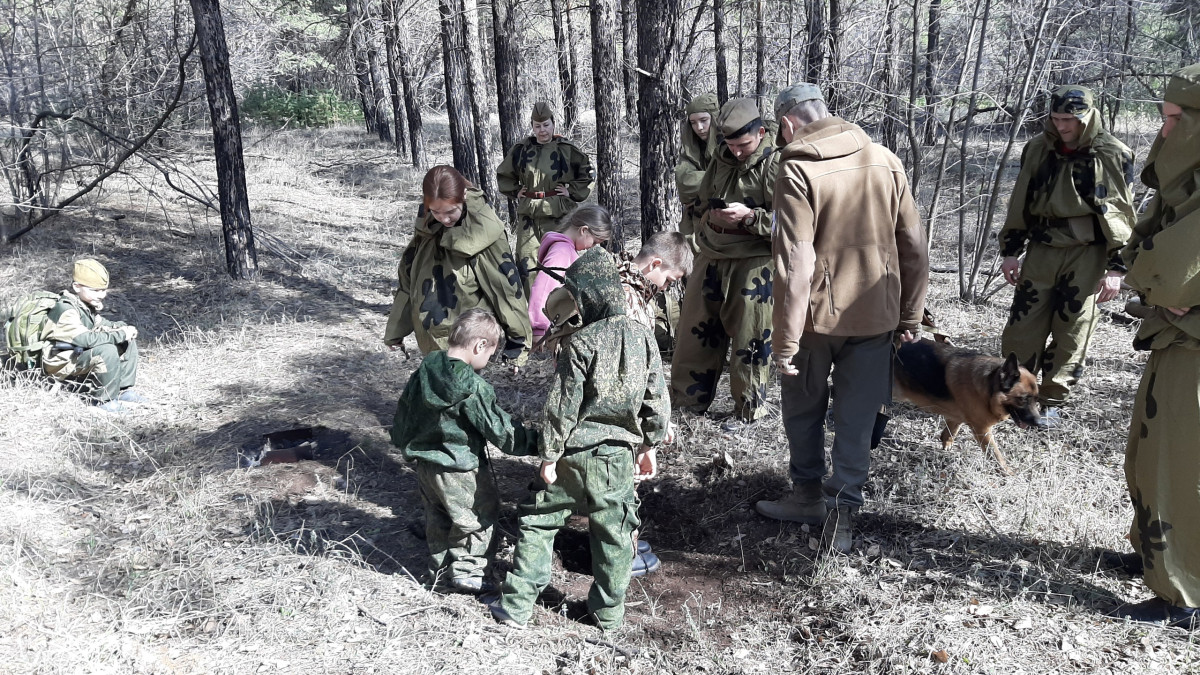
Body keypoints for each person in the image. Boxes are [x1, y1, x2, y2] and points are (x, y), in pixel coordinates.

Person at [755, 84, 928, 554]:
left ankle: (807, 496)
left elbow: (795, 263)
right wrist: (909, 315)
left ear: (787, 125)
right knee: (856, 419)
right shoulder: (885, 160)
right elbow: (914, 246)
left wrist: (785, 342)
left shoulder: (797, 169)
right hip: (877, 315)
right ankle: (842, 519)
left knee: (803, 410)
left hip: (813, 322)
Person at [492, 247, 672, 630]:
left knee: (539, 520)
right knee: (615, 536)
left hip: (572, 456)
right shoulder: (645, 339)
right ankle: (607, 616)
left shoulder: (580, 342)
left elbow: (562, 407)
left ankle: (517, 606)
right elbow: (657, 401)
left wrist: (549, 456)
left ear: (586, 296)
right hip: (616, 462)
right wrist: (649, 446)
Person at [1107, 64, 1200, 629]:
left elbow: (1166, 274)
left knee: (1180, 467)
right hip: (1176, 340)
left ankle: (1185, 592)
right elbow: (1141, 253)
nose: (1163, 131)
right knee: (1146, 456)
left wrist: (1156, 284)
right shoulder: (1185, 184)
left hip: (1194, 351)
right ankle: (1155, 555)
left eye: (1174, 119)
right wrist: (1154, 283)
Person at [997, 85, 1136, 421]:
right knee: (1021, 326)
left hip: (1087, 254)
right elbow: (1021, 200)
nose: (1061, 126)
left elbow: (1122, 213)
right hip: (1042, 249)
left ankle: (1052, 402)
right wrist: (1011, 250)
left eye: (1069, 120)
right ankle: (1015, 396)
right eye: (1056, 118)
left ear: (1087, 117)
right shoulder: (1038, 148)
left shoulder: (1112, 153)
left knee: (1072, 330)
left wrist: (1117, 268)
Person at [391, 308, 538, 594]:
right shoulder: (472, 386)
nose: (488, 361)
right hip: (461, 468)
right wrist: (538, 442)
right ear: (480, 345)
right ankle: (469, 572)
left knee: (438, 517)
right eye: (490, 354)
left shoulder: (427, 368)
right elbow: (503, 432)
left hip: (426, 465)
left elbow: (405, 411)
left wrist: (404, 445)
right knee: (477, 517)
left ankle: (440, 569)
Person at [671, 97, 779, 432]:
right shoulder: (720, 157)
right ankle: (688, 404)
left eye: (743, 145)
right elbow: (700, 201)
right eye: (731, 145)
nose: (737, 152)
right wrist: (707, 221)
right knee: (694, 332)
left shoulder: (777, 163)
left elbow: (793, 222)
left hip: (754, 260)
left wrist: (750, 218)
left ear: (760, 133)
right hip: (712, 253)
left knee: (751, 337)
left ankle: (749, 409)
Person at [384, 165, 532, 366]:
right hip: (430, 336)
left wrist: (518, 344)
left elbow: (506, 290)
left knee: (460, 384)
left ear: (463, 196)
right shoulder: (428, 227)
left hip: (467, 338)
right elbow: (409, 277)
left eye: (450, 211)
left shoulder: (483, 231)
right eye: (436, 211)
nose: (443, 219)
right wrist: (396, 329)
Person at [496, 101, 595, 294]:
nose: (542, 130)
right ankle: (532, 308)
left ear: (553, 124)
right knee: (527, 264)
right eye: (538, 126)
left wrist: (571, 191)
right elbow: (504, 174)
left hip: (559, 214)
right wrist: (516, 191)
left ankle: (561, 305)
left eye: (546, 125)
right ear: (533, 127)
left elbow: (589, 173)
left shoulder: (566, 149)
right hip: (530, 216)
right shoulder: (521, 149)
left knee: (560, 261)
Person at [41, 259, 145, 413]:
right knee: (107, 350)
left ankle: (122, 390)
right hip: (60, 357)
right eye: (95, 290)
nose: (102, 295)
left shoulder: (83, 305)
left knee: (126, 341)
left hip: (74, 351)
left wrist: (122, 327)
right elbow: (85, 339)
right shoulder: (66, 309)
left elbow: (102, 323)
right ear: (77, 287)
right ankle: (104, 401)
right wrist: (120, 334)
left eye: (103, 290)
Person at [528, 205, 613, 341]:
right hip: (551, 332)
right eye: (594, 242)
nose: (593, 247)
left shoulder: (566, 249)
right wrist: (539, 328)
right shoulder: (562, 251)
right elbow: (544, 288)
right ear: (583, 230)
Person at [675, 93, 720, 251]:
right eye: (693, 123)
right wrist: (714, 184)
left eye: (703, 120)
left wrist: (702, 193)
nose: (699, 128)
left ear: (714, 118)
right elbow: (685, 184)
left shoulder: (729, 144)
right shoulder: (691, 147)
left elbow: (733, 182)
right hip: (696, 222)